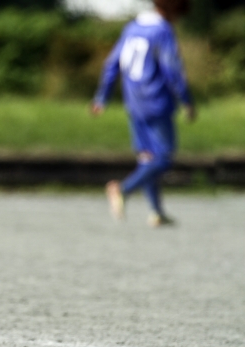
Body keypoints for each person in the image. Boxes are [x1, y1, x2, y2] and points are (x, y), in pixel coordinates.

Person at [92, 0, 195, 227]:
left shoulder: (132, 27)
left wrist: (102, 97)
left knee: (146, 158)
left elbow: (112, 63)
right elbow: (172, 68)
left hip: (134, 101)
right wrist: (186, 100)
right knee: (164, 158)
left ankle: (156, 212)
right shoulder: (162, 30)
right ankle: (122, 189)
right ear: (170, 9)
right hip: (156, 100)